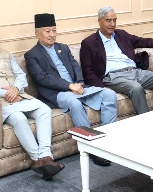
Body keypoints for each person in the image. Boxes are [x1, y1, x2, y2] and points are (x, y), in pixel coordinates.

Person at [0, 14, 63, 179]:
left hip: (20, 95)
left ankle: (46, 156)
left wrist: (16, 88)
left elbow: (20, 75)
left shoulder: (6, 54)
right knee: (18, 118)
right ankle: (39, 159)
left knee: (45, 110)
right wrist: (7, 93)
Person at [24, 13, 117, 167]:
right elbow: (42, 78)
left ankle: (106, 142)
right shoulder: (32, 55)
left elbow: (76, 67)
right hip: (57, 94)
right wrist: (69, 86)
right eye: (47, 31)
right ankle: (92, 148)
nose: (52, 34)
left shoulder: (63, 48)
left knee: (109, 94)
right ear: (37, 34)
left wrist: (79, 83)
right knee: (74, 103)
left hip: (77, 88)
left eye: (54, 30)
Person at [79, 7, 153, 115]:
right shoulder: (89, 43)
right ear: (99, 21)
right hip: (114, 77)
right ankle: (147, 120)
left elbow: (142, 41)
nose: (112, 24)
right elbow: (87, 72)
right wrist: (103, 88)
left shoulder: (121, 35)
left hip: (135, 71)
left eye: (114, 20)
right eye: (108, 21)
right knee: (136, 88)